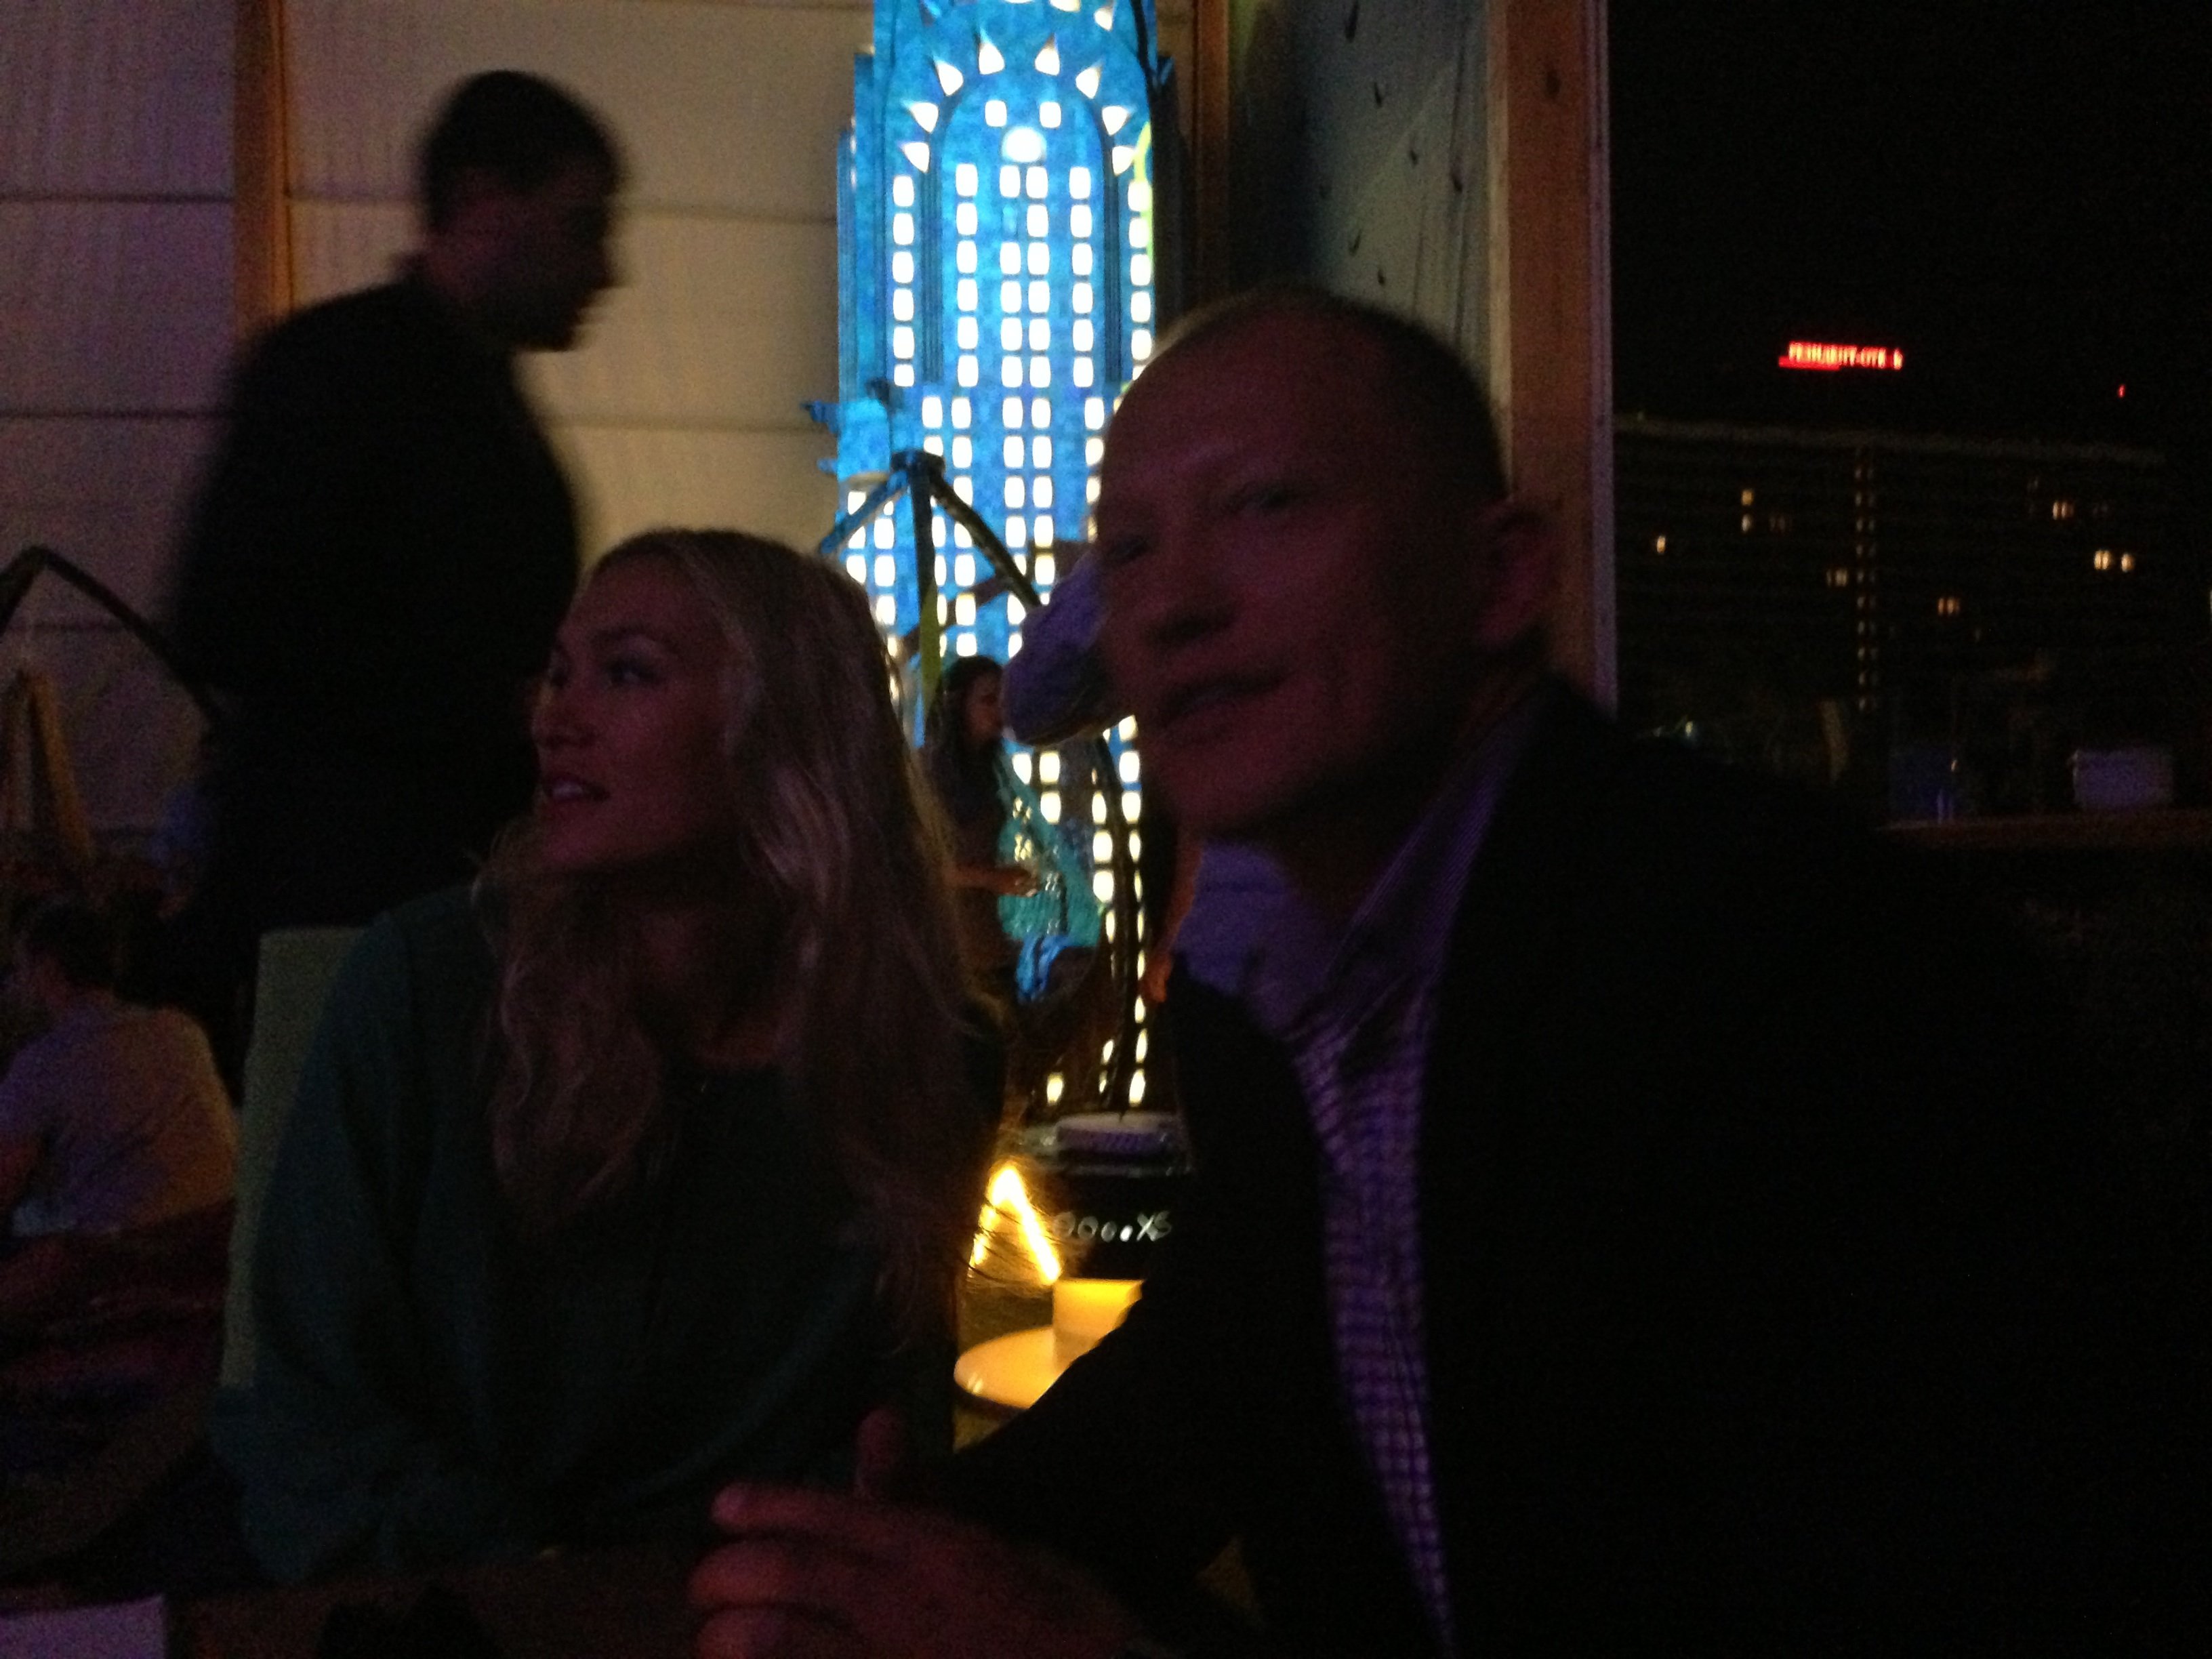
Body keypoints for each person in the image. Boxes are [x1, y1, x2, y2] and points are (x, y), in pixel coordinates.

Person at [689, 289, 2189, 1653]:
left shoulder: (1792, 971)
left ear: (1502, 577)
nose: (1173, 601)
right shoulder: (1276, 995)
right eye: (1128, 548)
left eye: (1266, 506)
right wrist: (907, 1547)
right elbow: (1222, 1372)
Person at [213, 531, 995, 1582]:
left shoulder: (925, 1060)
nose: (555, 718)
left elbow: (886, 1445)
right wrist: (551, 1585)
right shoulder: (426, 990)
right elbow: (312, 1423)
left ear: (789, 729)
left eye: (626, 674)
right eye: (558, 674)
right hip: (440, 1608)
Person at [167, 71, 622, 1064]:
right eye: (582, 226)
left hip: (399, 916)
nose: (605, 269)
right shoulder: (340, 375)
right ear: (482, 203)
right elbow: (220, 619)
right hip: (347, 912)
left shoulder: (382, 376)